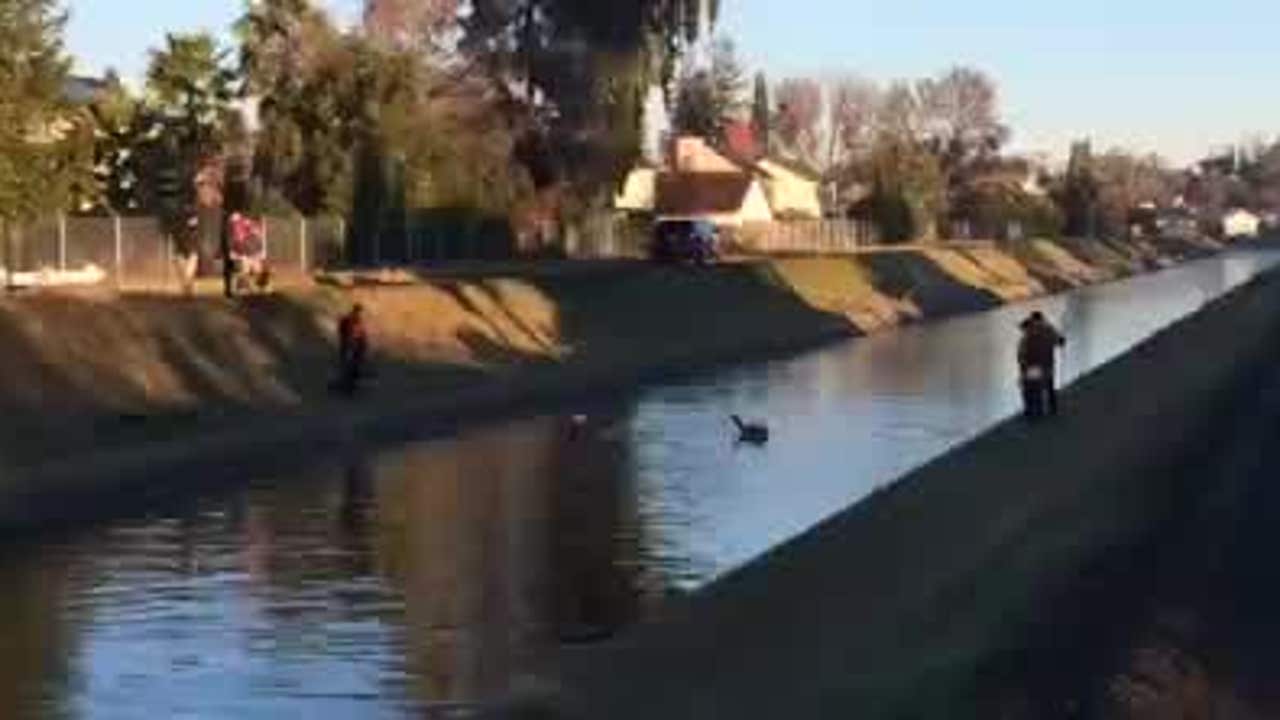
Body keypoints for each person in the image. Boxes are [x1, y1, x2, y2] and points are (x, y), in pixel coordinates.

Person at [1018, 311, 1066, 419]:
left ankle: (1032, 412)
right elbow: (1060, 342)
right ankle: (1052, 409)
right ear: (1042, 318)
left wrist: (1022, 366)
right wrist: (1062, 340)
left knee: (1031, 389)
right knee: (1048, 386)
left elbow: (1022, 351)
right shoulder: (1049, 329)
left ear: (1033, 319)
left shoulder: (1029, 331)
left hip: (1032, 364)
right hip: (1048, 363)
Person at [335, 304, 369, 395]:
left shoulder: (356, 321)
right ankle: (347, 385)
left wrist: (363, 345)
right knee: (349, 366)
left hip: (355, 346)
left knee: (353, 366)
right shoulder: (349, 320)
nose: (359, 313)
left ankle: (349, 385)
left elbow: (362, 335)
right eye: (359, 311)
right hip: (350, 346)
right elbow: (343, 332)